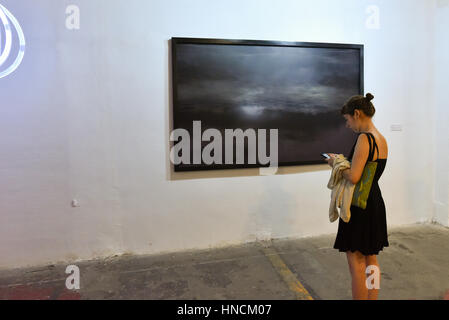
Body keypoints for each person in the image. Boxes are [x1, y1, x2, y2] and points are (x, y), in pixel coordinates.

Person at [326, 93, 389, 300]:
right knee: (371, 260)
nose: (347, 125)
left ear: (357, 114)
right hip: (375, 203)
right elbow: (367, 173)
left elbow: (353, 177)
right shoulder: (381, 139)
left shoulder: (364, 138)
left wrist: (335, 163)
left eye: (348, 120)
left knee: (357, 265)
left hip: (359, 206)